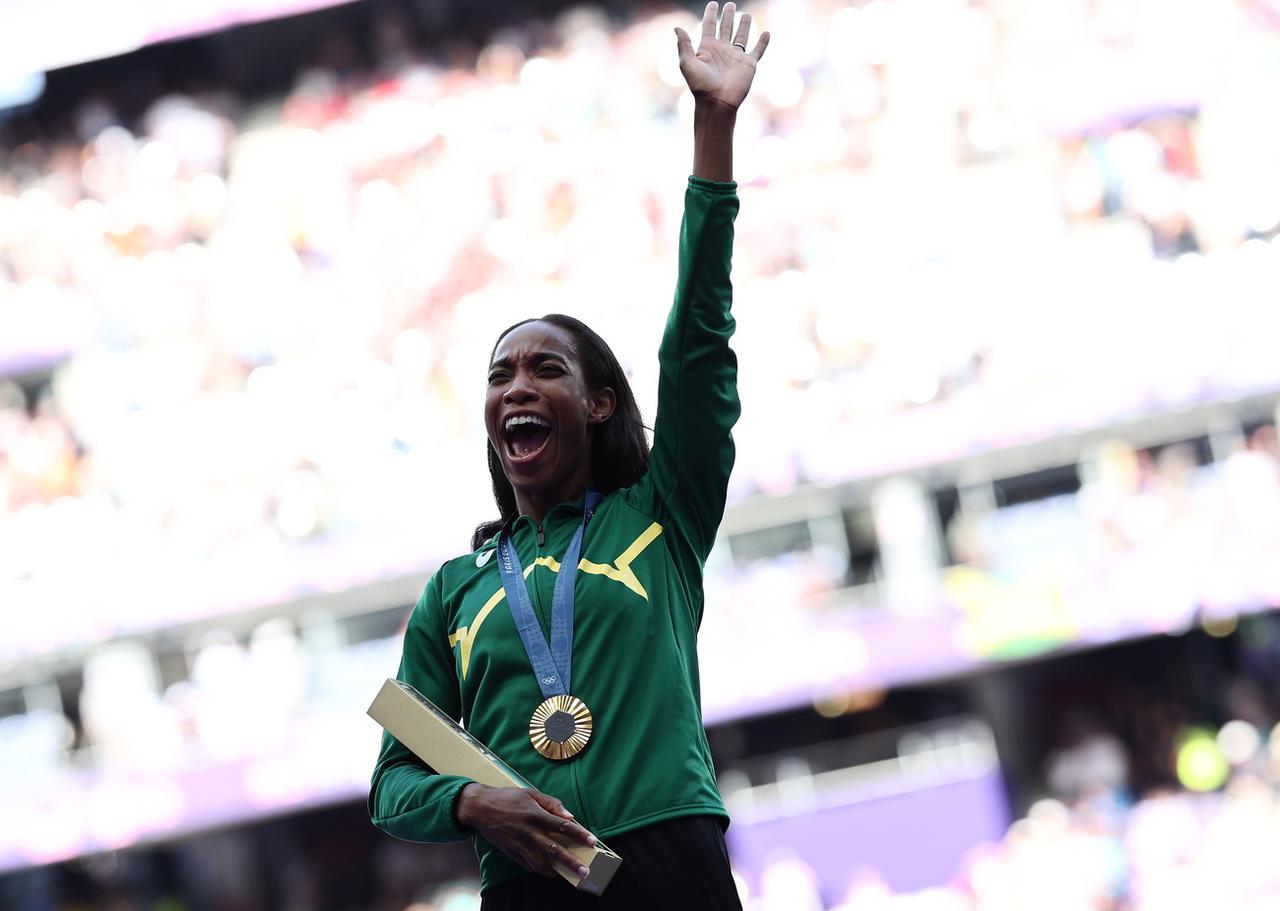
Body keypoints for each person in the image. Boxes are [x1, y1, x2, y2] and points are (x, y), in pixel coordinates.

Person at [368, 4, 769, 908]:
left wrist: (714, 131)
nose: (514, 386)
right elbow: (393, 779)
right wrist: (472, 801)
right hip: (528, 882)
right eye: (497, 374)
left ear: (598, 404)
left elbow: (700, 347)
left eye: (544, 368)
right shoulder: (455, 590)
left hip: (670, 857)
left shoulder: (660, 516)